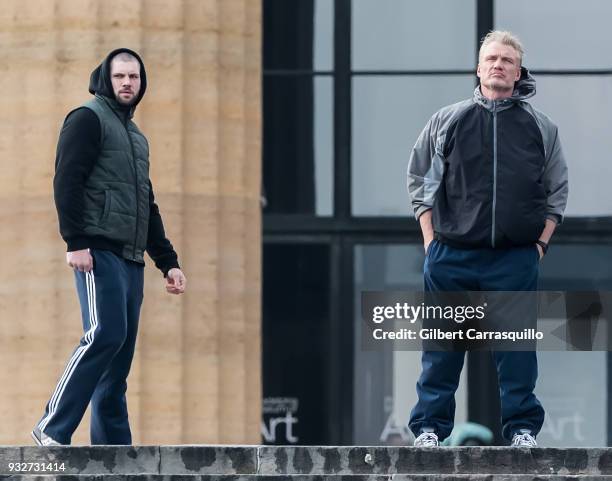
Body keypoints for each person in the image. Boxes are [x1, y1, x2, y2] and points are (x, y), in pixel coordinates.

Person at [406, 31, 568, 447]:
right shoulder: (448, 119)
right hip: (451, 255)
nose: (498, 65)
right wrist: (430, 244)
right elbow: (420, 182)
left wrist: (539, 246)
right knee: (441, 349)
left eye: (507, 60)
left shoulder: (540, 127)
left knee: (516, 354)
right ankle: (428, 429)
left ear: (518, 73)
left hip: (514, 257)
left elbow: (556, 193)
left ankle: (522, 431)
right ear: (478, 69)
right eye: (491, 59)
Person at [32, 48, 187, 446]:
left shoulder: (136, 138)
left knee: (117, 362)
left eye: (134, 78)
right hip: (97, 251)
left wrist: (167, 261)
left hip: (131, 258)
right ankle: (51, 427)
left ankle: (115, 450)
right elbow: (66, 181)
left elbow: (145, 204)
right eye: (120, 77)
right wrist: (76, 241)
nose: (127, 84)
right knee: (104, 334)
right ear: (106, 79)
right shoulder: (87, 118)